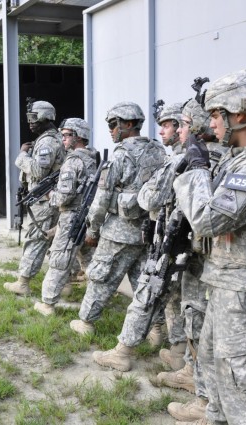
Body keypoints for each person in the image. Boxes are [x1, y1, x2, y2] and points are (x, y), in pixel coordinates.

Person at [172, 69, 246, 425]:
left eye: (217, 115)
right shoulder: (240, 162)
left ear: (239, 115)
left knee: (243, 394)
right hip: (228, 291)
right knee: (216, 378)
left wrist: (195, 169)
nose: (212, 124)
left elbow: (208, 220)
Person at [69, 102, 166, 336]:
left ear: (129, 124)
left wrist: (92, 230)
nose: (111, 130)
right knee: (145, 282)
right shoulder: (158, 151)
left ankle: (86, 323)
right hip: (148, 231)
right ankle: (156, 329)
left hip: (119, 231)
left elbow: (102, 197)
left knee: (101, 277)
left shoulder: (122, 155)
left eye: (114, 124)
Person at [162, 97, 229, 423]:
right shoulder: (226, 158)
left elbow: (194, 211)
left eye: (185, 124)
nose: (179, 129)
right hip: (207, 258)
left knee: (198, 322)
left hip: (205, 259)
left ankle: (202, 396)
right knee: (198, 322)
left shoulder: (203, 160)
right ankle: (197, 383)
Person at [33, 118, 98, 316]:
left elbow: (64, 196)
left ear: (77, 136)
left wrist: (49, 196)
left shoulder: (73, 161)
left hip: (72, 217)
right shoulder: (91, 157)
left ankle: (48, 303)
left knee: (59, 259)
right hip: (87, 216)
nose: (63, 139)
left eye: (67, 135)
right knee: (88, 260)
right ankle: (94, 297)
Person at [4, 100, 65, 296]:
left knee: (36, 238)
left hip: (44, 200)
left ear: (45, 118)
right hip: (53, 198)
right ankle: (66, 283)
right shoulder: (57, 138)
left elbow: (39, 171)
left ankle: (23, 283)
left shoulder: (47, 142)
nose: (30, 123)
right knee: (55, 241)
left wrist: (22, 155)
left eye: (33, 118)